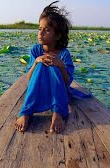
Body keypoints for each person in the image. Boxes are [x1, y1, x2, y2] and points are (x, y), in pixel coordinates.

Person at [14, 1, 74, 133]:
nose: (41, 33)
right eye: (39, 29)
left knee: (53, 65)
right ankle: (27, 112)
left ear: (57, 35)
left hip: (59, 91)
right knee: (41, 64)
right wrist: (36, 62)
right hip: (39, 89)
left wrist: (61, 66)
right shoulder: (35, 50)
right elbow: (30, 79)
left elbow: (67, 82)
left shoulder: (64, 54)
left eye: (47, 30)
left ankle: (58, 113)